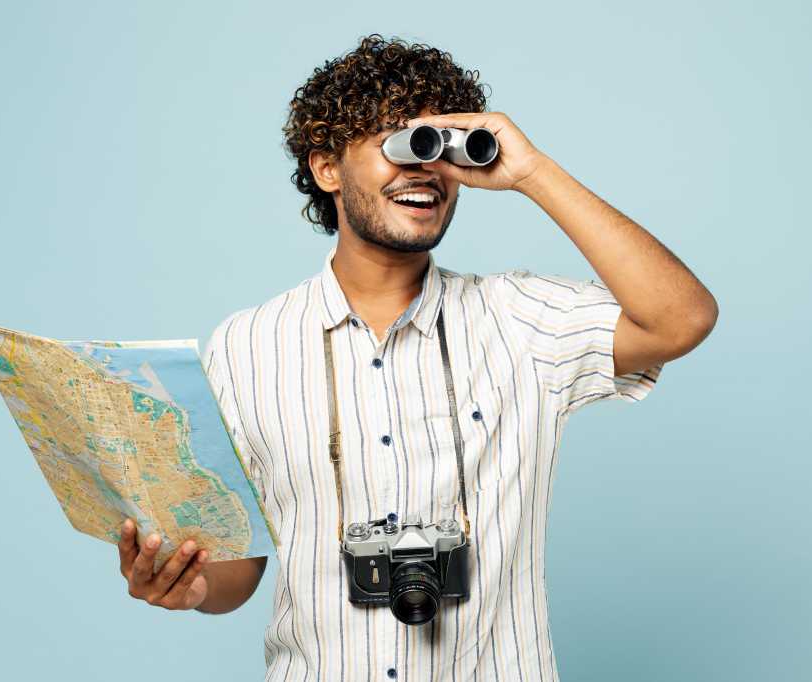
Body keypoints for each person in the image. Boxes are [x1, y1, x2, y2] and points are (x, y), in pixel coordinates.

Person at [115, 33, 718, 681]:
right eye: (397, 142)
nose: (423, 168)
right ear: (326, 169)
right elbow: (238, 572)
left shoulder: (519, 321)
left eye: (439, 145)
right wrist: (188, 583)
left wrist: (534, 173)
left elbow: (681, 318)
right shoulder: (246, 345)